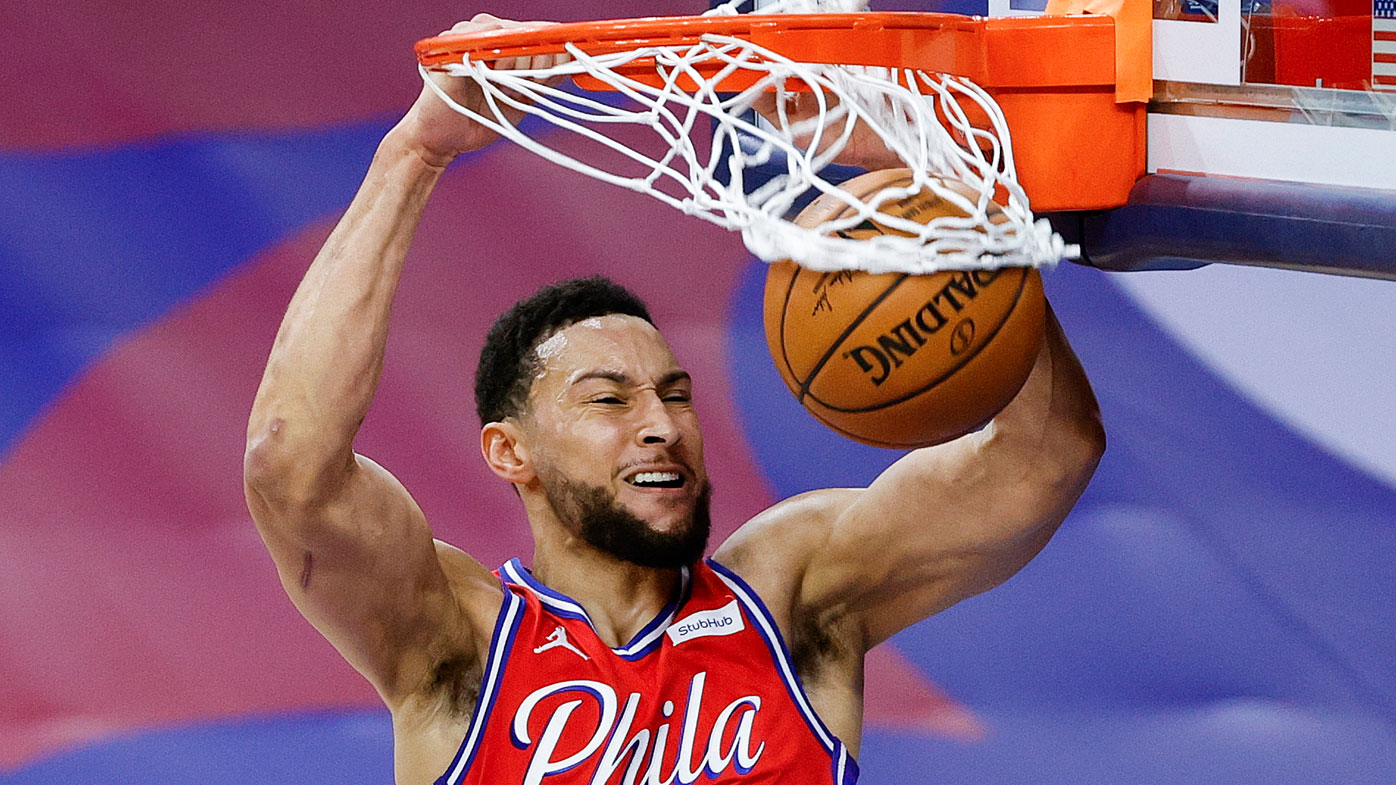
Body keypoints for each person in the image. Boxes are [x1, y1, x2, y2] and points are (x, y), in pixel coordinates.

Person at [242, 14, 1106, 785]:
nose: (660, 425)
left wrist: (945, 211)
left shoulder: (793, 592)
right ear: (511, 451)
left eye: (673, 393)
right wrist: (416, 153)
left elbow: (1046, 457)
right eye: (608, 399)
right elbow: (291, 461)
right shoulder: (456, 643)